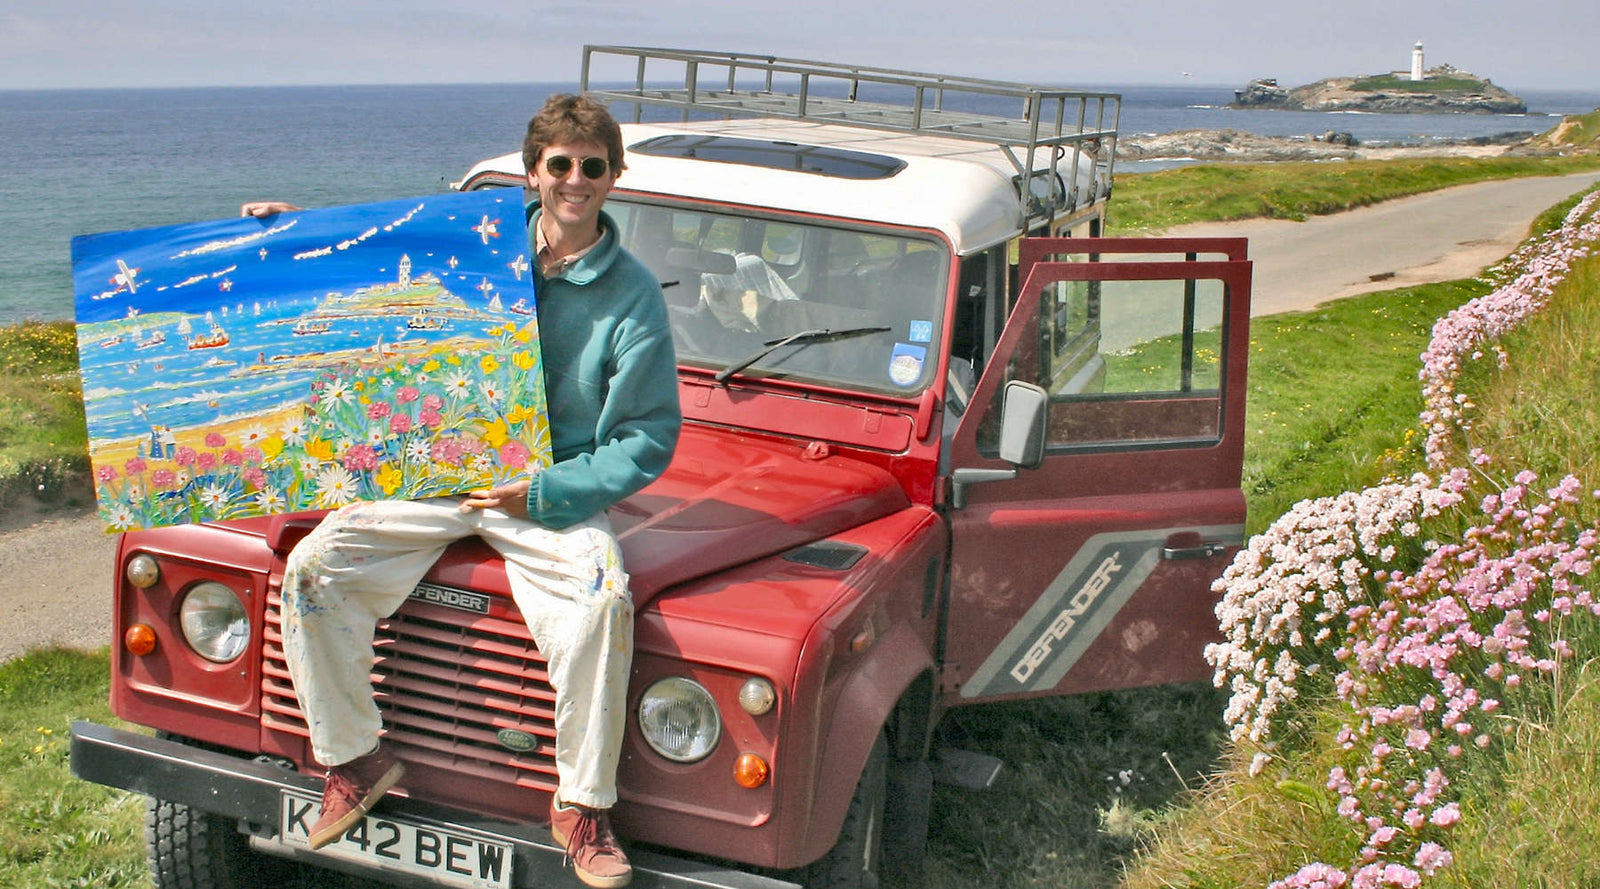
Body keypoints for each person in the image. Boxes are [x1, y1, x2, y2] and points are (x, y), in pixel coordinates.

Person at [254, 93, 680, 889]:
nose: (575, 179)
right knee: (314, 567)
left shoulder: (633, 294)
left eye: (592, 166)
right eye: (560, 164)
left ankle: (582, 807)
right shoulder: (478, 244)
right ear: (533, 172)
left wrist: (543, 492)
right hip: (441, 471)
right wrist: (289, 234)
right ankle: (353, 760)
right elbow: (372, 258)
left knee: (601, 599)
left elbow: (647, 436)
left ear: (614, 176)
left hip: (548, 491)